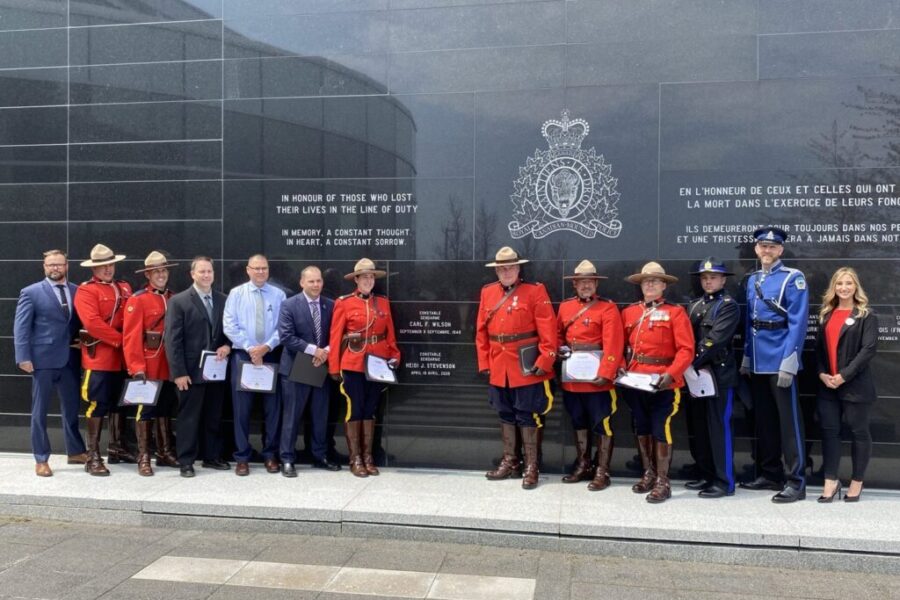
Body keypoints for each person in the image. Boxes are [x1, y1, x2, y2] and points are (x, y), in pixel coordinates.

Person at [476, 247, 556, 490]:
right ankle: (511, 461)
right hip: (499, 364)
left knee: (527, 414)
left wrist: (544, 361)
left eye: (510, 267)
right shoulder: (488, 292)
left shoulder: (534, 291)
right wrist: (485, 362)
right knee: (504, 413)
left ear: (519, 268)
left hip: (526, 365)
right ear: (497, 271)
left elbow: (548, 329)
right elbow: (480, 331)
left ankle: (532, 466)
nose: (506, 271)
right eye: (502, 268)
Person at [739, 227, 810, 503]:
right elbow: (750, 322)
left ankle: (797, 481)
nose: (766, 251)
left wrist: (790, 361)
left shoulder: (793, 278)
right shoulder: (753, 279)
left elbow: (798, 321)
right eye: (762, 246)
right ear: (756, 249)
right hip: (758, 361)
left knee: (789, 423)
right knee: (765, 422)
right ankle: (770, 474)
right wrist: (747, 355)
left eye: (772, 247)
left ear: (780, 250)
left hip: (780, 358)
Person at [620, 262, 694, 503]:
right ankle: (649, 473)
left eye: (654, 280)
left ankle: (663, 481)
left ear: (664, 285)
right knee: (641, 426)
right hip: (635, 378)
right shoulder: (630, 312)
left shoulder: (676, 312)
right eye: (645, 281)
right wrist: (621, 367)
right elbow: (620, 345)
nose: (649, 284)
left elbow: (686, 350)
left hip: (663, 381)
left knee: (661, 428)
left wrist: (671, 374)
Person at [13, 249, 88, 476]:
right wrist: (23, 357)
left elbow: (83, 323)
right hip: (42, 360)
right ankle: (41, 458)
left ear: (67, 266)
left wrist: (83, 343)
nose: (55, 268)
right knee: (40, 411)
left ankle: (75, 451)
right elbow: (21, 328)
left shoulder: (78, 291)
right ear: (44, 267)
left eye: (59, 264)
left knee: (72, 408)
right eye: (50, 265)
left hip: (70, 360)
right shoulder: (31, 292)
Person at [328, 258, 400, 477]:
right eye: (364, 277)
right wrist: (334, 366)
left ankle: (368, 457)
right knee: (355, 409)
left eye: (371, 277)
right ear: (356, 279)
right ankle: (355, 458)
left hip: (377, 364)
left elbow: (390, 334)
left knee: (370, 409)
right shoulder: (344, 303)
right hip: (353, 363)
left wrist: (394, 355)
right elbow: (336, 336)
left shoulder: (383, 303)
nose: (368, 281)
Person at [556, 260, 624, 490]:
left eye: (589, 282)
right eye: (581, 282)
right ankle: (584, 464)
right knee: (578, 422)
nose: (585, 286)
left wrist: (606, 373)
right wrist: (559, 350)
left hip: (598, 380)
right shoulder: (565, 307)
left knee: (602, 424)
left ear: (596, 284)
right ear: (574, 284)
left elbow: (614, 343)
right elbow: (557, 335)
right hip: (573, 379)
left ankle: (602, 470)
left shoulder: (607, 307)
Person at [164, 256, 232, 477]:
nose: (206, 275)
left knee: (213, 415)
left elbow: (230, 331)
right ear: (192, 274)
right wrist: (179, 373)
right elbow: (173, 340)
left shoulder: (224, 299)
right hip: (190, 372)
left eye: (209, 271)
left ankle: (211, 456)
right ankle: (186, 461)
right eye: (201, 271)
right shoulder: (179, 301)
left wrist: (228, 345)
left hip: (216, 369)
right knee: (189, 418)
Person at [815, 267, 877, 503]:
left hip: (855, 386)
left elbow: (868, 350)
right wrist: (822, 374)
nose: (844, 288)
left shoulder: (866, 316)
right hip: (827, 385)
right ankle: (830, 480)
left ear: (856, 287)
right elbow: (818, 350)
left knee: (859, 432)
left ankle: (856, 481)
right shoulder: (826, 315)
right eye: (839, 283)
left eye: (848, 283)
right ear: (834, 287)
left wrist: (844, 375)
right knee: (830, 433)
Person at [73, 244, 133, 476]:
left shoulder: (124, 287)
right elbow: (92, 323)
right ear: (94, 268)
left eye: (110, 264)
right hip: (100, 357)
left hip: (123, 359)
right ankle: (93, 456)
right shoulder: (86, 290)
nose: (108, 269)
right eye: (102, 266)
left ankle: (117, 447)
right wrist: (121, 341)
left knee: (120, 402)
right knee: (97, 404)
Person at [223, 254, 286, 476]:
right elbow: (229, 326)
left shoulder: (279, 295)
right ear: (247, 270)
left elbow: (282, 328)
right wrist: (251, 348)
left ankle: (270, 454)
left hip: (270, 356)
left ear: (268, 270)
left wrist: (265, 348)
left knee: (272, 410)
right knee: (242, 411)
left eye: (264, 268)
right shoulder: (237, 294)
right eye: (256, 268)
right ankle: (242, 457)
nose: (260, 272)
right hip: (243, 356)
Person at [685, 258, 741, 498]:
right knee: (699, 427)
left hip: (718, 375)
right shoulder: (695, 305)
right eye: (704, 278)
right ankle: (706, 473)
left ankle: (724, 481)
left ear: (723, 279)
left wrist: (687, 362)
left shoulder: (728, 306)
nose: (708, 281)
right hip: (695, 375)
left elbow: (714, 341)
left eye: (713, 277)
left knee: (719, 428)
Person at [278, 265, 340, 476]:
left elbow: (337, 333)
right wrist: (315, 350)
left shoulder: (331, 305)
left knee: (320, 416)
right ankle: (287, 458)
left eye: (319, 281)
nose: (316, 285)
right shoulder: (289, 305)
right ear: (302, 283)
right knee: (292, 417)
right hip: (296, 367)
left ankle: (320, 455)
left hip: (320, 368)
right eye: (311, 281)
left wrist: (326, 351)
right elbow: (286, 336)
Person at [122, 251, 179, 476]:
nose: (161, 275)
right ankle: (144, 456)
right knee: (144, 410)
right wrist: (136, 368)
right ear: (148, 274)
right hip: (148, 364)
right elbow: (131, 337)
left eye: (164, 270)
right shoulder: (138, 300)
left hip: (169, 366)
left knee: (165, 408)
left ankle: (164, 452)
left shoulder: (173, 297)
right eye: (156, 271)